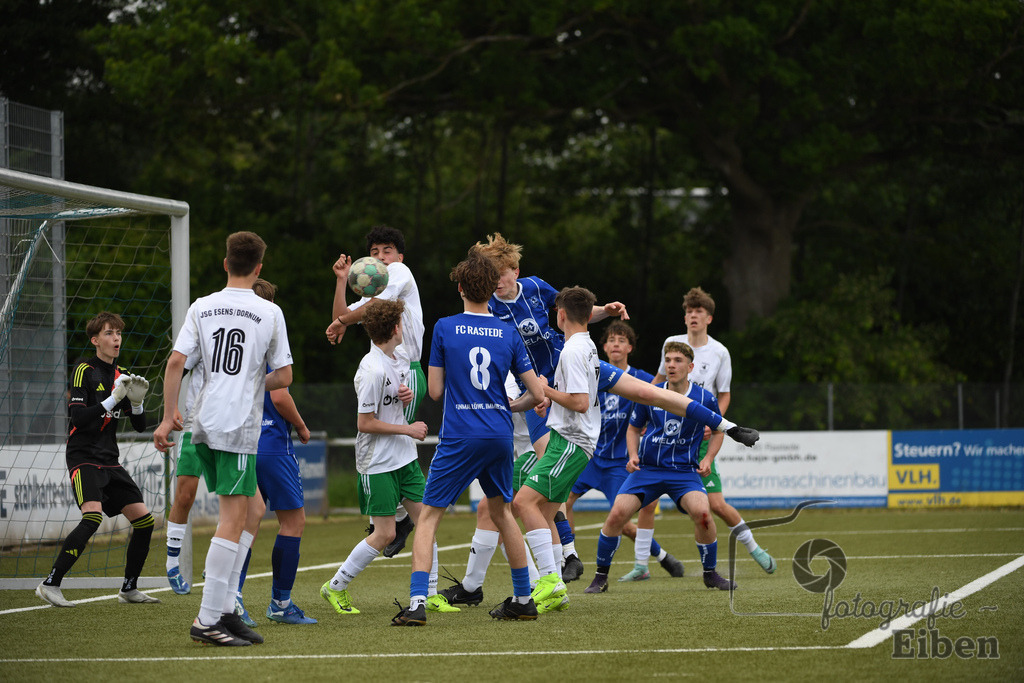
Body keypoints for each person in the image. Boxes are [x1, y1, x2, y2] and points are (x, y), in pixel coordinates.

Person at [391, 250, 547, 625]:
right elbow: (538, 395)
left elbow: (434, 390)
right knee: (502, 512)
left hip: (460, 434)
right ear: (492, 289)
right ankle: (524, 597)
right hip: (498, 434)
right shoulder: (508, 332)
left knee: (428, 518)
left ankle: (416, 605)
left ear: (460, 288)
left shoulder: (444, 327)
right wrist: (508, 407)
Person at [154, 231, 293, 647]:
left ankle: (227, 611)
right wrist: (254, 381)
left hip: (202, 422)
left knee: (253, 508)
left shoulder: (202, 306)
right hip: (235, 427)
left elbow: (176, 361)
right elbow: (284, 376)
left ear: (225, 263)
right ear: (260, 268)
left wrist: (167, 417)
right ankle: (207, 618)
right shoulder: (269, 312)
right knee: (233, 519)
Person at [585, 341, 737, 594]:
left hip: (684, 472)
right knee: (616, 516)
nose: (671, 365)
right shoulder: (650, 392)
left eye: (677, 361)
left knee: (703, 515)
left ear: (691, 367)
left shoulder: (704, 398)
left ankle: (710, 574)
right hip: (648, 470)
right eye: (668, 360)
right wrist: (632, 455)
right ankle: (600, 577)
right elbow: (633, 428)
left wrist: (708, 458)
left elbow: (720, 430)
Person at [320, 298, 437, 615]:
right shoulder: (371, 370)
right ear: (396, 328)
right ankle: (335, 587)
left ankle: (432, 594)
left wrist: (405, 394)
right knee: (385, 533)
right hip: (378, 464)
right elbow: (365, 423)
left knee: (426, 521)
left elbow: (392, 398)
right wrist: (407, 429)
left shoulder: (396, 357)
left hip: (404, 460)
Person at [36, 312, 159, 607]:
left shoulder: (123, 376)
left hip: (110, 459)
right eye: (108, 333)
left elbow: (141, 426)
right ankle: (50, 584)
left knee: (144, 521)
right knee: (92, 517)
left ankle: (129, 588)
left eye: (118, 333)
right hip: (83, 456)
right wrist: (111, 400)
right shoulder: (83, 370)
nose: (116, 338)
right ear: (95, 340)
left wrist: (138, 404)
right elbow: (78, 417)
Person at [653, 287, 776, 574]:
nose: (693, 316)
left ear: (709, 318)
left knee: (716, 505)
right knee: (645, 503)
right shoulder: (672, 344)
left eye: (699, 312)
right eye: (689, 312)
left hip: (698, 436)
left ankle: (753, 547)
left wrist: (714, 422)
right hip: (666, 437)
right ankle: (640, 565)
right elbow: (657, 383)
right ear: (685, 317)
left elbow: (724, 394)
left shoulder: (720, 351)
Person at [326, 225, 424, 557]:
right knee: (388, 440)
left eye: (386, 250)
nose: (380, 257)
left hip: (406, 369)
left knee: (395, 443)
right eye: (375, 252)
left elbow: (363, 314)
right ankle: (396, 517)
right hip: (386, 370)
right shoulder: (373, 288)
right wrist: (341, 281)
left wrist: (345, 321)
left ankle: (396, 518)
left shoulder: (398, 272)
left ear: (399, 256)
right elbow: (345, 314)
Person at [566, 320, 685, 582]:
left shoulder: (641, 379)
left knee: (620, 522)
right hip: (591, 457)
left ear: (630, 347)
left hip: (619, 463)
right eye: (611, 340)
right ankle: (567, 557)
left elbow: (660, 400)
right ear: (604, 347)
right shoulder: (592, 374)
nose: (615, 344)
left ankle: (662, 556)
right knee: (563, 501)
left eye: (621, 340)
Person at [512, 286, 602, 614]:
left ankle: (548, 582)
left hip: (569, 442)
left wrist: (546, 389)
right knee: (547, 514)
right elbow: (576, 396)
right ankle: (555, 589)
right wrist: (550, 401)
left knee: (522, 503)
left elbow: (579, 402)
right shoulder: (586, 345)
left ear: (560, 314)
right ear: (590, 315)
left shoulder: (572, 350)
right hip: (573, 439)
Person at [241, 277, 317, 625]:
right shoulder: (269, 331)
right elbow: (279, 394)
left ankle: (232, 600)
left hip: (239, 442)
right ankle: (280, 604)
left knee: (242, 523)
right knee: (292, 521)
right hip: (271, 445)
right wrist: (300, 426)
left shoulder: (236, 335)